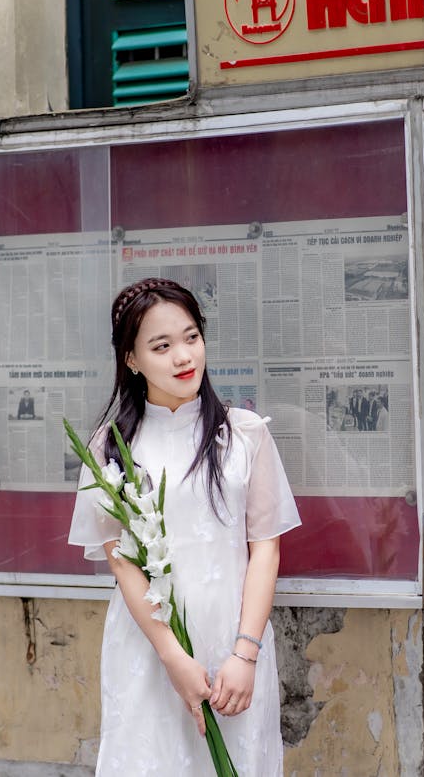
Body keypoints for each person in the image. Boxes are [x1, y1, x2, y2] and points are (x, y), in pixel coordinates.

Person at [68, 277, 301, 776]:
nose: (182, 356)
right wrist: (172, 655)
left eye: (191, 336)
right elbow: (122, 563)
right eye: (162, 345)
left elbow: (266, 549)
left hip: (234, 645)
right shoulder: (110, 449)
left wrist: (245, 653)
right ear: (131, 359)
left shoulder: (244, 434)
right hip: (151, 650)